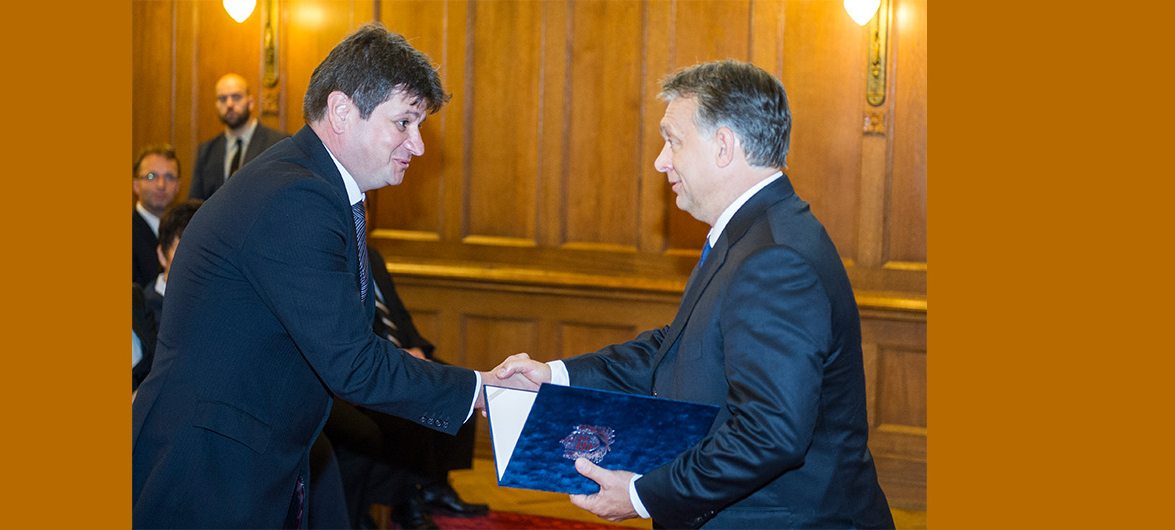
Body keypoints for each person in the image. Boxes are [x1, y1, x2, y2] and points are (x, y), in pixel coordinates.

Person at [132, 24, 522, 529]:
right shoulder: (296, 196)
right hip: (207, 468)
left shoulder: (309, 183)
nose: (418, 145)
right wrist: (479, 390)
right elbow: (352, 362)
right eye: (404, 122)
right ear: (341, 111)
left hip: (241, 453)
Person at [493, 59, 895, 529]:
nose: (661, 161)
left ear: (723, 146)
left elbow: (769, 434)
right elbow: (679, 349)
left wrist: (642, 495)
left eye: (673, 140)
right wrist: (555, 376)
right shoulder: (753, 235)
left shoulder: (773, 257)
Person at [323, 246, 489, 529]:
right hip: (371, 363)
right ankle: (406, 499)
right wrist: (402, 356)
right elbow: (353, 330)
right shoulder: (335, 254)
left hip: (399, 354)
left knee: (462, 385)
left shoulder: (373, 255)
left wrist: (417, 347)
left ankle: (436, 485)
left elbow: (397, 313)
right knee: (412, 407)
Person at [188, 73, 287, 200]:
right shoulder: (206, 151)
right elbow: (195, 203)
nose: (229, 104)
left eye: (236, 97)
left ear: (250, 103)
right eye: (222, 99)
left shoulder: (278, 144)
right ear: (216, 105)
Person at [141, 199, 203, 332]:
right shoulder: (142, 314)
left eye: (203, 252)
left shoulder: (219, 304)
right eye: (184, 252)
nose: (196, 261)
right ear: (162, 256)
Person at [132, 145, 180, 287]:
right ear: (136, 185)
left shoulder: (187, 232)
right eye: (151, 176)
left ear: (178, 186)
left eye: (169, 177)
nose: (161, 185)